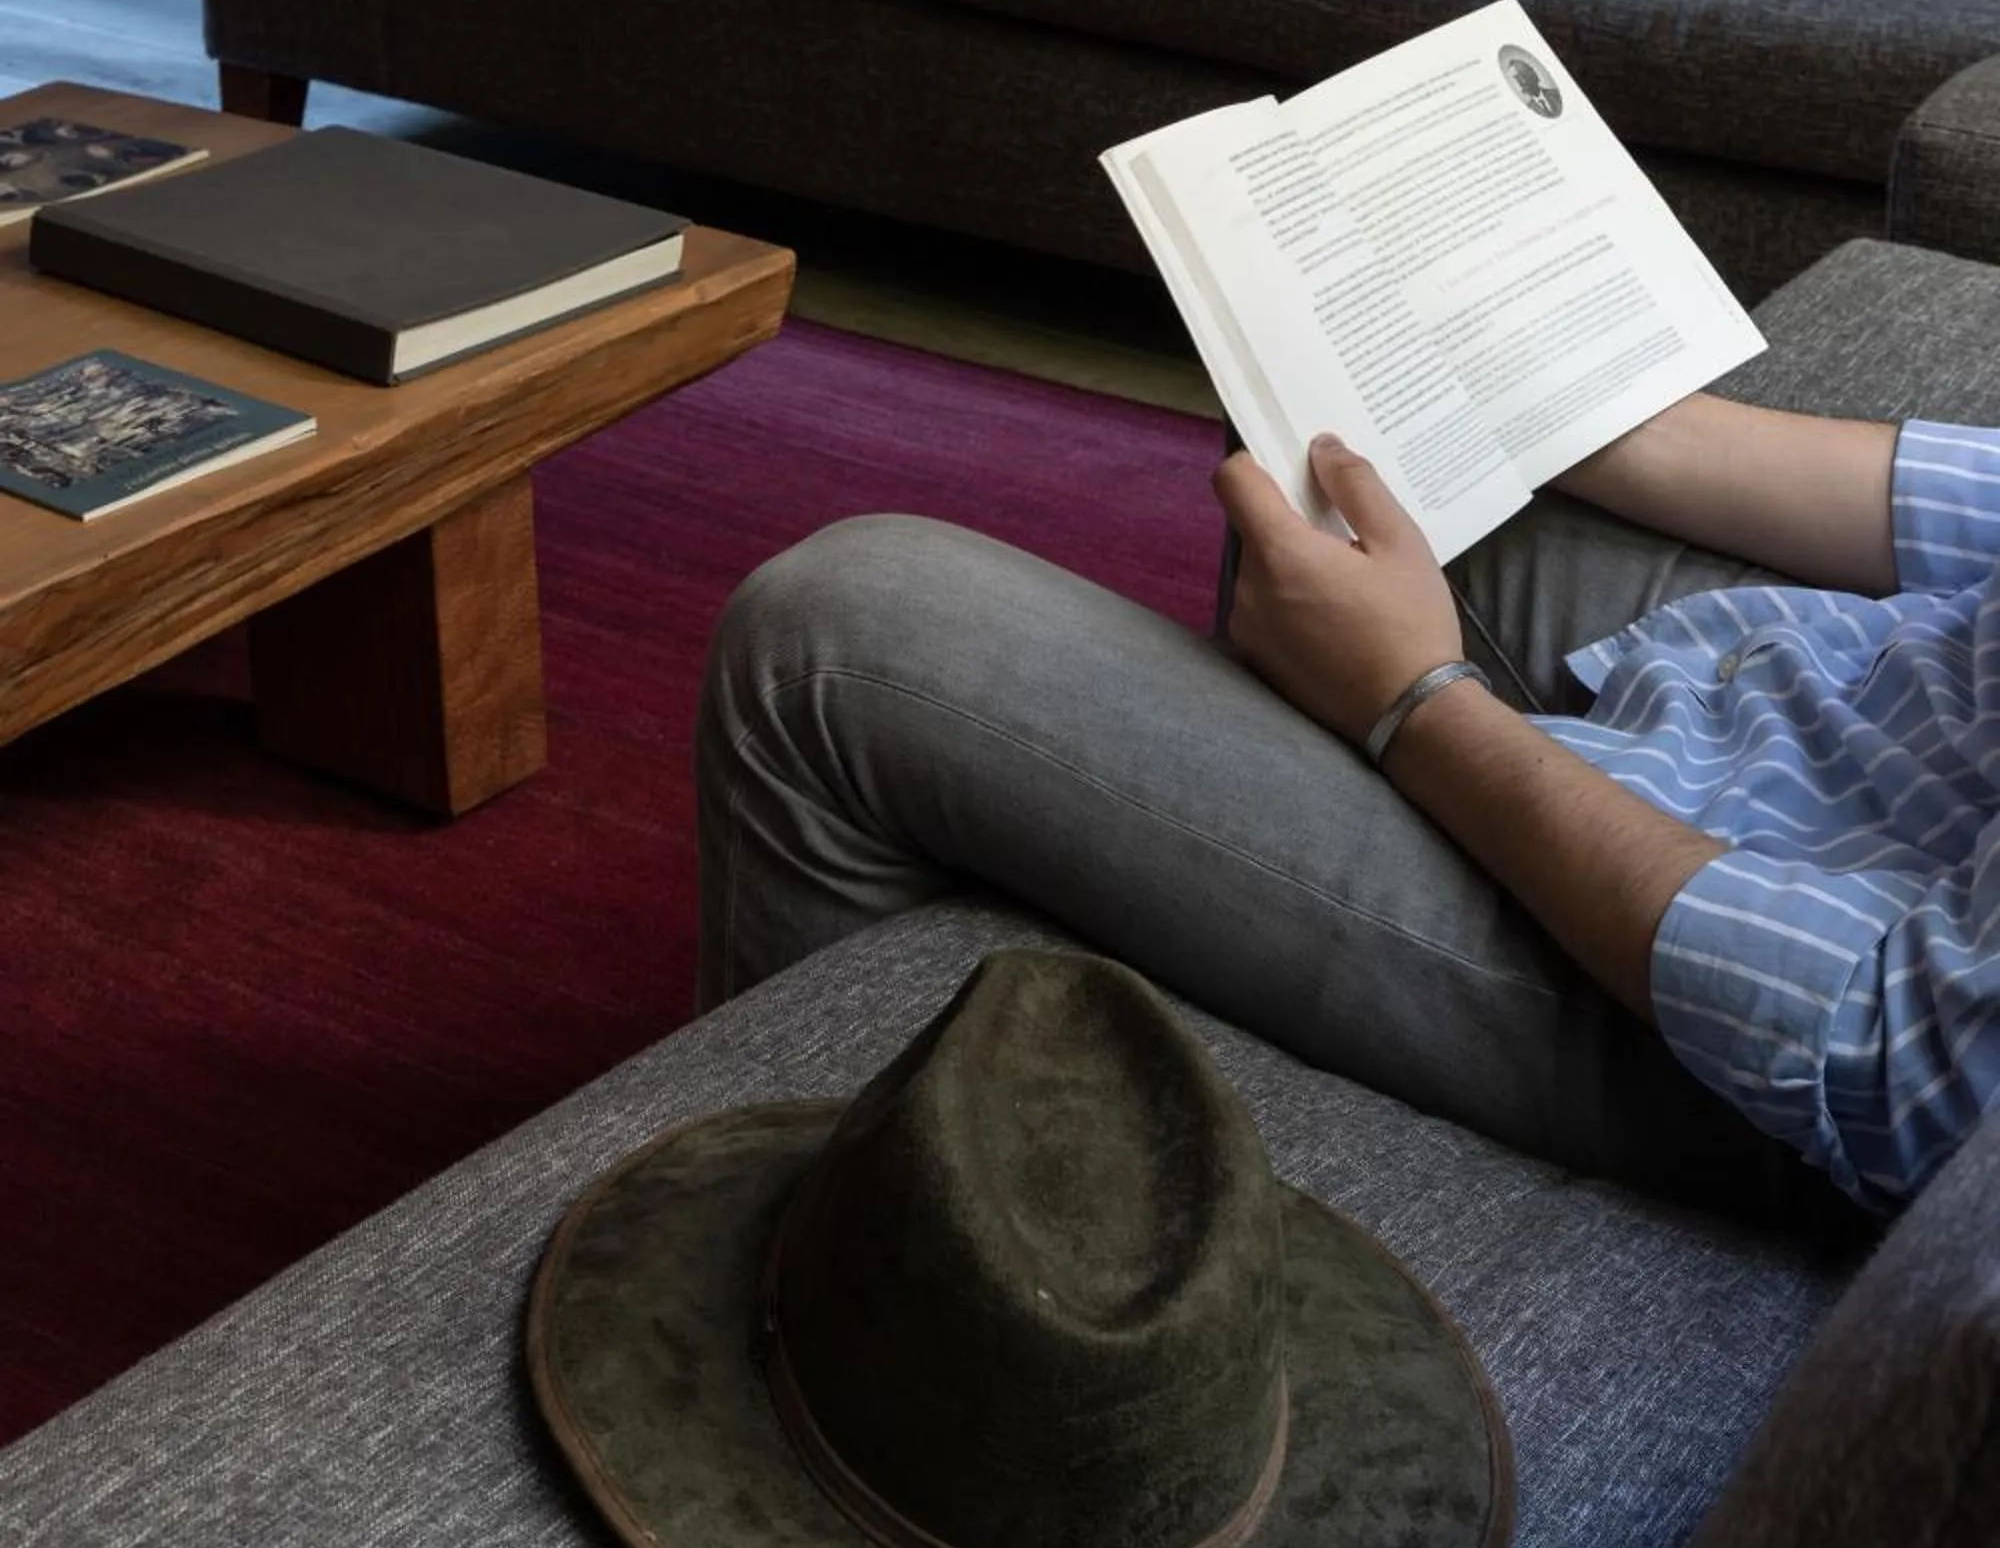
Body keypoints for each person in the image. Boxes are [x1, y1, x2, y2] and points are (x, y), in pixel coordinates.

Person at [697, 388, 2000, 1226]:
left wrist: (1413, 703)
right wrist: (1556, 390)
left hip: (1731, 1026)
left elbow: (1896, 1069)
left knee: (836, 637)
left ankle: (814, 1273)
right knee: (1329, 422)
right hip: (1848, 729)